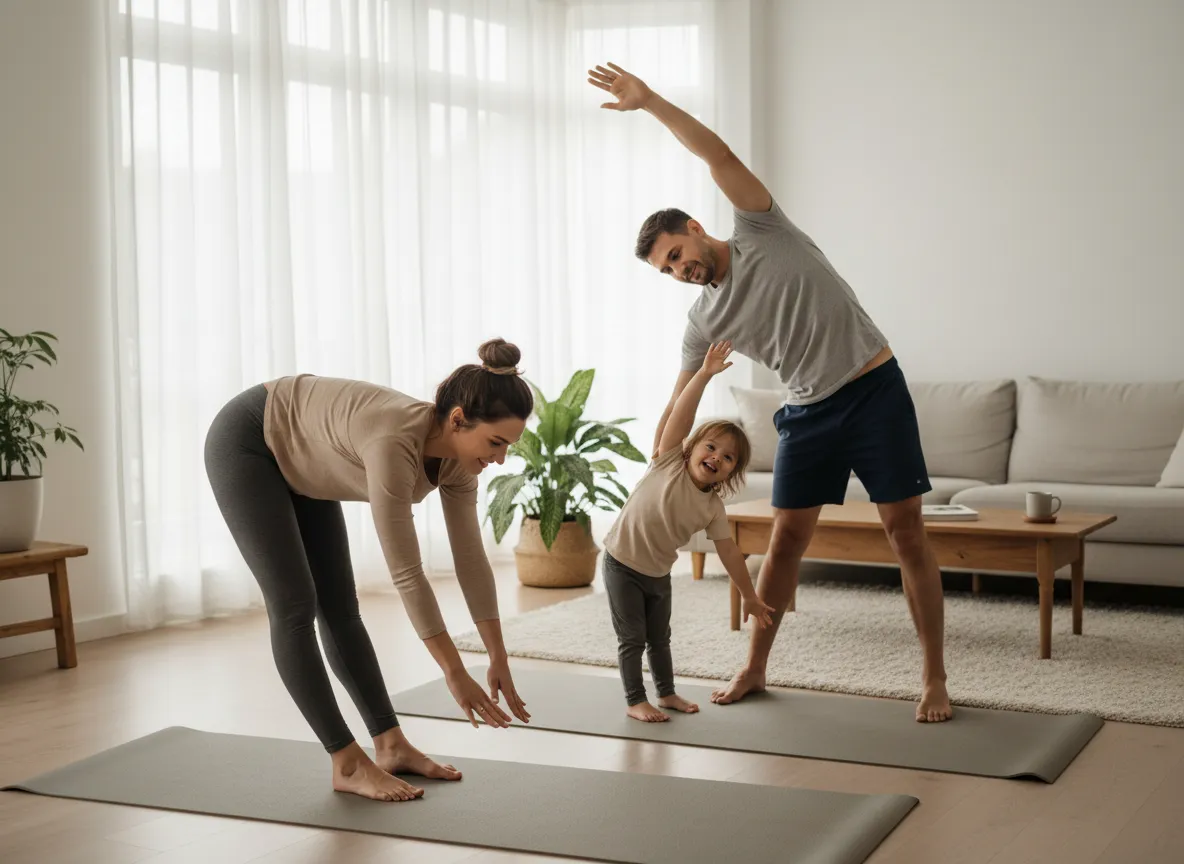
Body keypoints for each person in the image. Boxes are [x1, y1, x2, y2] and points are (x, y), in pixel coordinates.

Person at [587, 63, 953, 723]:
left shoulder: (761, 228)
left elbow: (716, 152)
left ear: (695, 226)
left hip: (874, 388)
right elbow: (679, 404)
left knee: (905, 533)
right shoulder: (703, 320)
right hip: (809, 412)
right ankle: (755, 666)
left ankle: (933, 678)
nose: (678, 269)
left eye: (675, 252)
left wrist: (650, 103)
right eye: (666, 268)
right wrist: (664, 448)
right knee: (786, 541)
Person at [204, 339, 534, 803]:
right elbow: (407, 572)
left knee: (340, 604)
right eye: (495, 442)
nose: (500, 458)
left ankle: (391, 745)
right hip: (250, 440)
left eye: (508, 446)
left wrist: (497, 654)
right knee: (295, 604)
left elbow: (471, 559)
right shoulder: (393, 443)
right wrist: (454, 670)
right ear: (458, 419)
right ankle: (346, 762)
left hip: (305, 459)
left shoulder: (461, 461)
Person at [602, 340, 774, 723]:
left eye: (727, 458)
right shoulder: (668, 463)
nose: (716, 457)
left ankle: (666, 693)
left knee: (659, 639)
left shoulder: (713, 507)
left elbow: (730, 552)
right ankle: (635, 699)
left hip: (658, 574)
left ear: (732, 472)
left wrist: (749, 595)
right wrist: (704, 373)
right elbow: (682, 411)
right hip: (621, 563)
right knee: (632, 638)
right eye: (710, 447)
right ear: (691, 447)